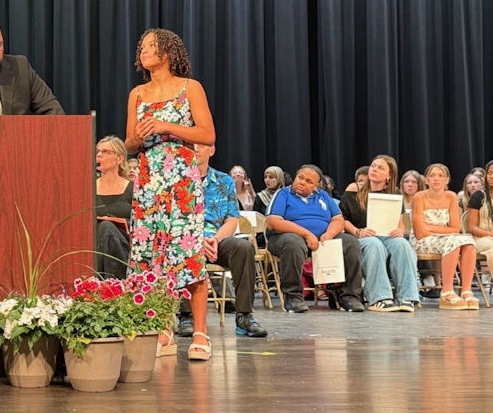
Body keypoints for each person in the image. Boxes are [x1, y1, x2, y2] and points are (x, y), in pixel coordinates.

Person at [124, 28, 215, 361]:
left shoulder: (190, 88)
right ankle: (163, 328)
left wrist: (165, 126)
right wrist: (138, 136)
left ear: (168, 52)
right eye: (143, 46)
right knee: (152, 254)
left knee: (187, 254)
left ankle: (201, 332)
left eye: (152, 46)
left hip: (181, 184)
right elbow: (129, 145)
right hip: (149, 182)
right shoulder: (137, 94)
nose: (144, 50)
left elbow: (207, 134)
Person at [176, 144, 267, 339]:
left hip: (216, 239)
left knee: (243, 247)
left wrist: (215, 239)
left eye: (201, 145)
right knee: (183, 249)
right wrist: (197, 241)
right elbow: (173, 219)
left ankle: (244, 315)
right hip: (186, 239)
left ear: (212, 150)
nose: (196, 149)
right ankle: (186, 315)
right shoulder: (177, 179)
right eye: (192, 145)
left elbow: (232, 219)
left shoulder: (224, 180)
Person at [265, 164, 364, 313]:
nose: (302, 182)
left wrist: (329, 234)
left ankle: (349, 297)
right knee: (293, 243)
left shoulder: (323, 196)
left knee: (350, 243)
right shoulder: (283, 194)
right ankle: (293, 297)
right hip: (285, 238)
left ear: (316, 185)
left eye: (309, 181)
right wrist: (306, 234)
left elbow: (338, 219)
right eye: (300, 178)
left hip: (321, 239)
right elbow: (273, 222)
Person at [339, 155, 419, 312]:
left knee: (402, 244)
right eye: (373, 166)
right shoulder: (354, 189)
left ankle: (407, 297)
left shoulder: (395, 193)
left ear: (389, 176)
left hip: (386, 235)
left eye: (380, 168)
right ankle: (379, 298)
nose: (374, 169)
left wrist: (400, 231)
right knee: (374, 244)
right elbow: (342, 219)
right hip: (362, 235)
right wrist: (358, 231)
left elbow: (400, 223)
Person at [411, 163, 477, 310]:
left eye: (440, 176)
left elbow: (455, 228)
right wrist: (444, 231)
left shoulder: (451, 196)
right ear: (426, 180)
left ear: (446, 180)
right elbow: (419, 232)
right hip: (421, 241)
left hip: (444, 239)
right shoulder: (419, 197)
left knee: (469, 242)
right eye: (432, 175)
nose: (436, 179)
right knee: (453, 241)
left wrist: (428, 226)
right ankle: (447, 291)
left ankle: (466, 291)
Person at [93, 136, 132, 280]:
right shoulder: (89, 188)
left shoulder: (132, 189)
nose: (99, 155)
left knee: (107, 227)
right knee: (104, 227)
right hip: (95, 246)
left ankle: (112, 283)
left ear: (119, 159)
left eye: (105, 152)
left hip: (123, 247)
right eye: (97, 151)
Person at [467, 160, 493, 269]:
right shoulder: (478, 196)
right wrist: (491, 234)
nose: (491, 176)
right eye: (489, 173)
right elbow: (472, 228)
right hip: (481, 238)